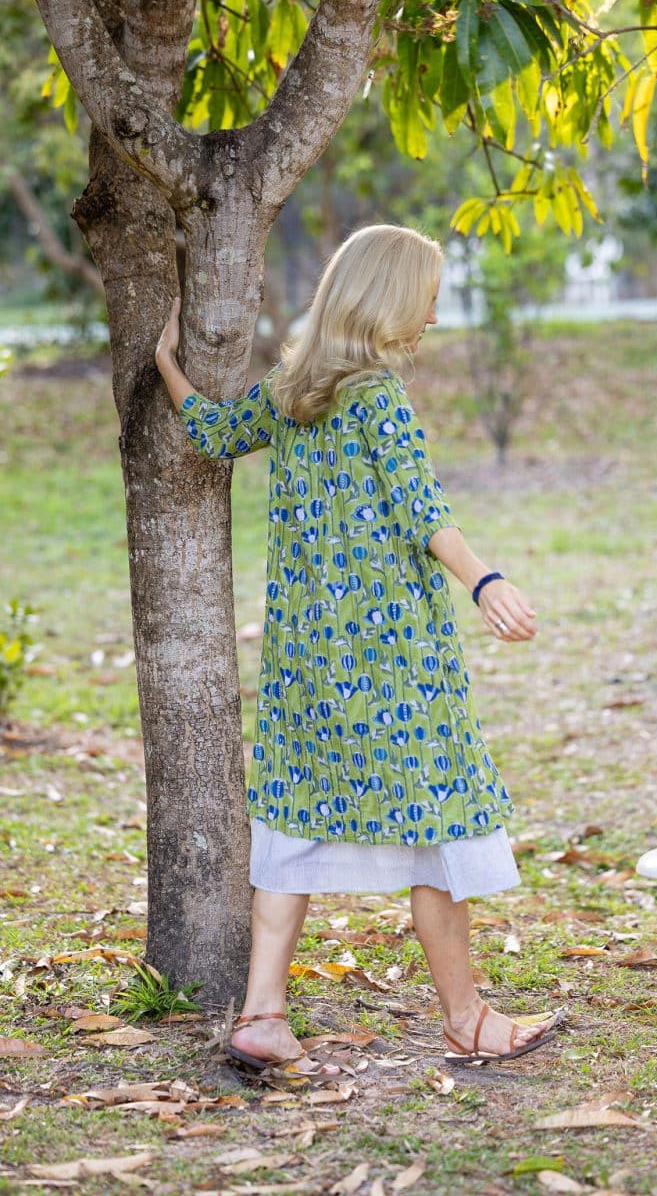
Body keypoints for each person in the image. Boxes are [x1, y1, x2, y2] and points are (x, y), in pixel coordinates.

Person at [155, 224, 563, 1076]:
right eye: (427, 300)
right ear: (388, 301)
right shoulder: (378, 396)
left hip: (307, 659)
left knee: (294, 821)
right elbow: (424, 509)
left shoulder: (289, 392)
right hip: (394, 657)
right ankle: (467, 1020)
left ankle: (263, 1015)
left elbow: (216, 432)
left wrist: (166, 364)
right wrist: (486, 581)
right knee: (441, 822)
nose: (433, 317)